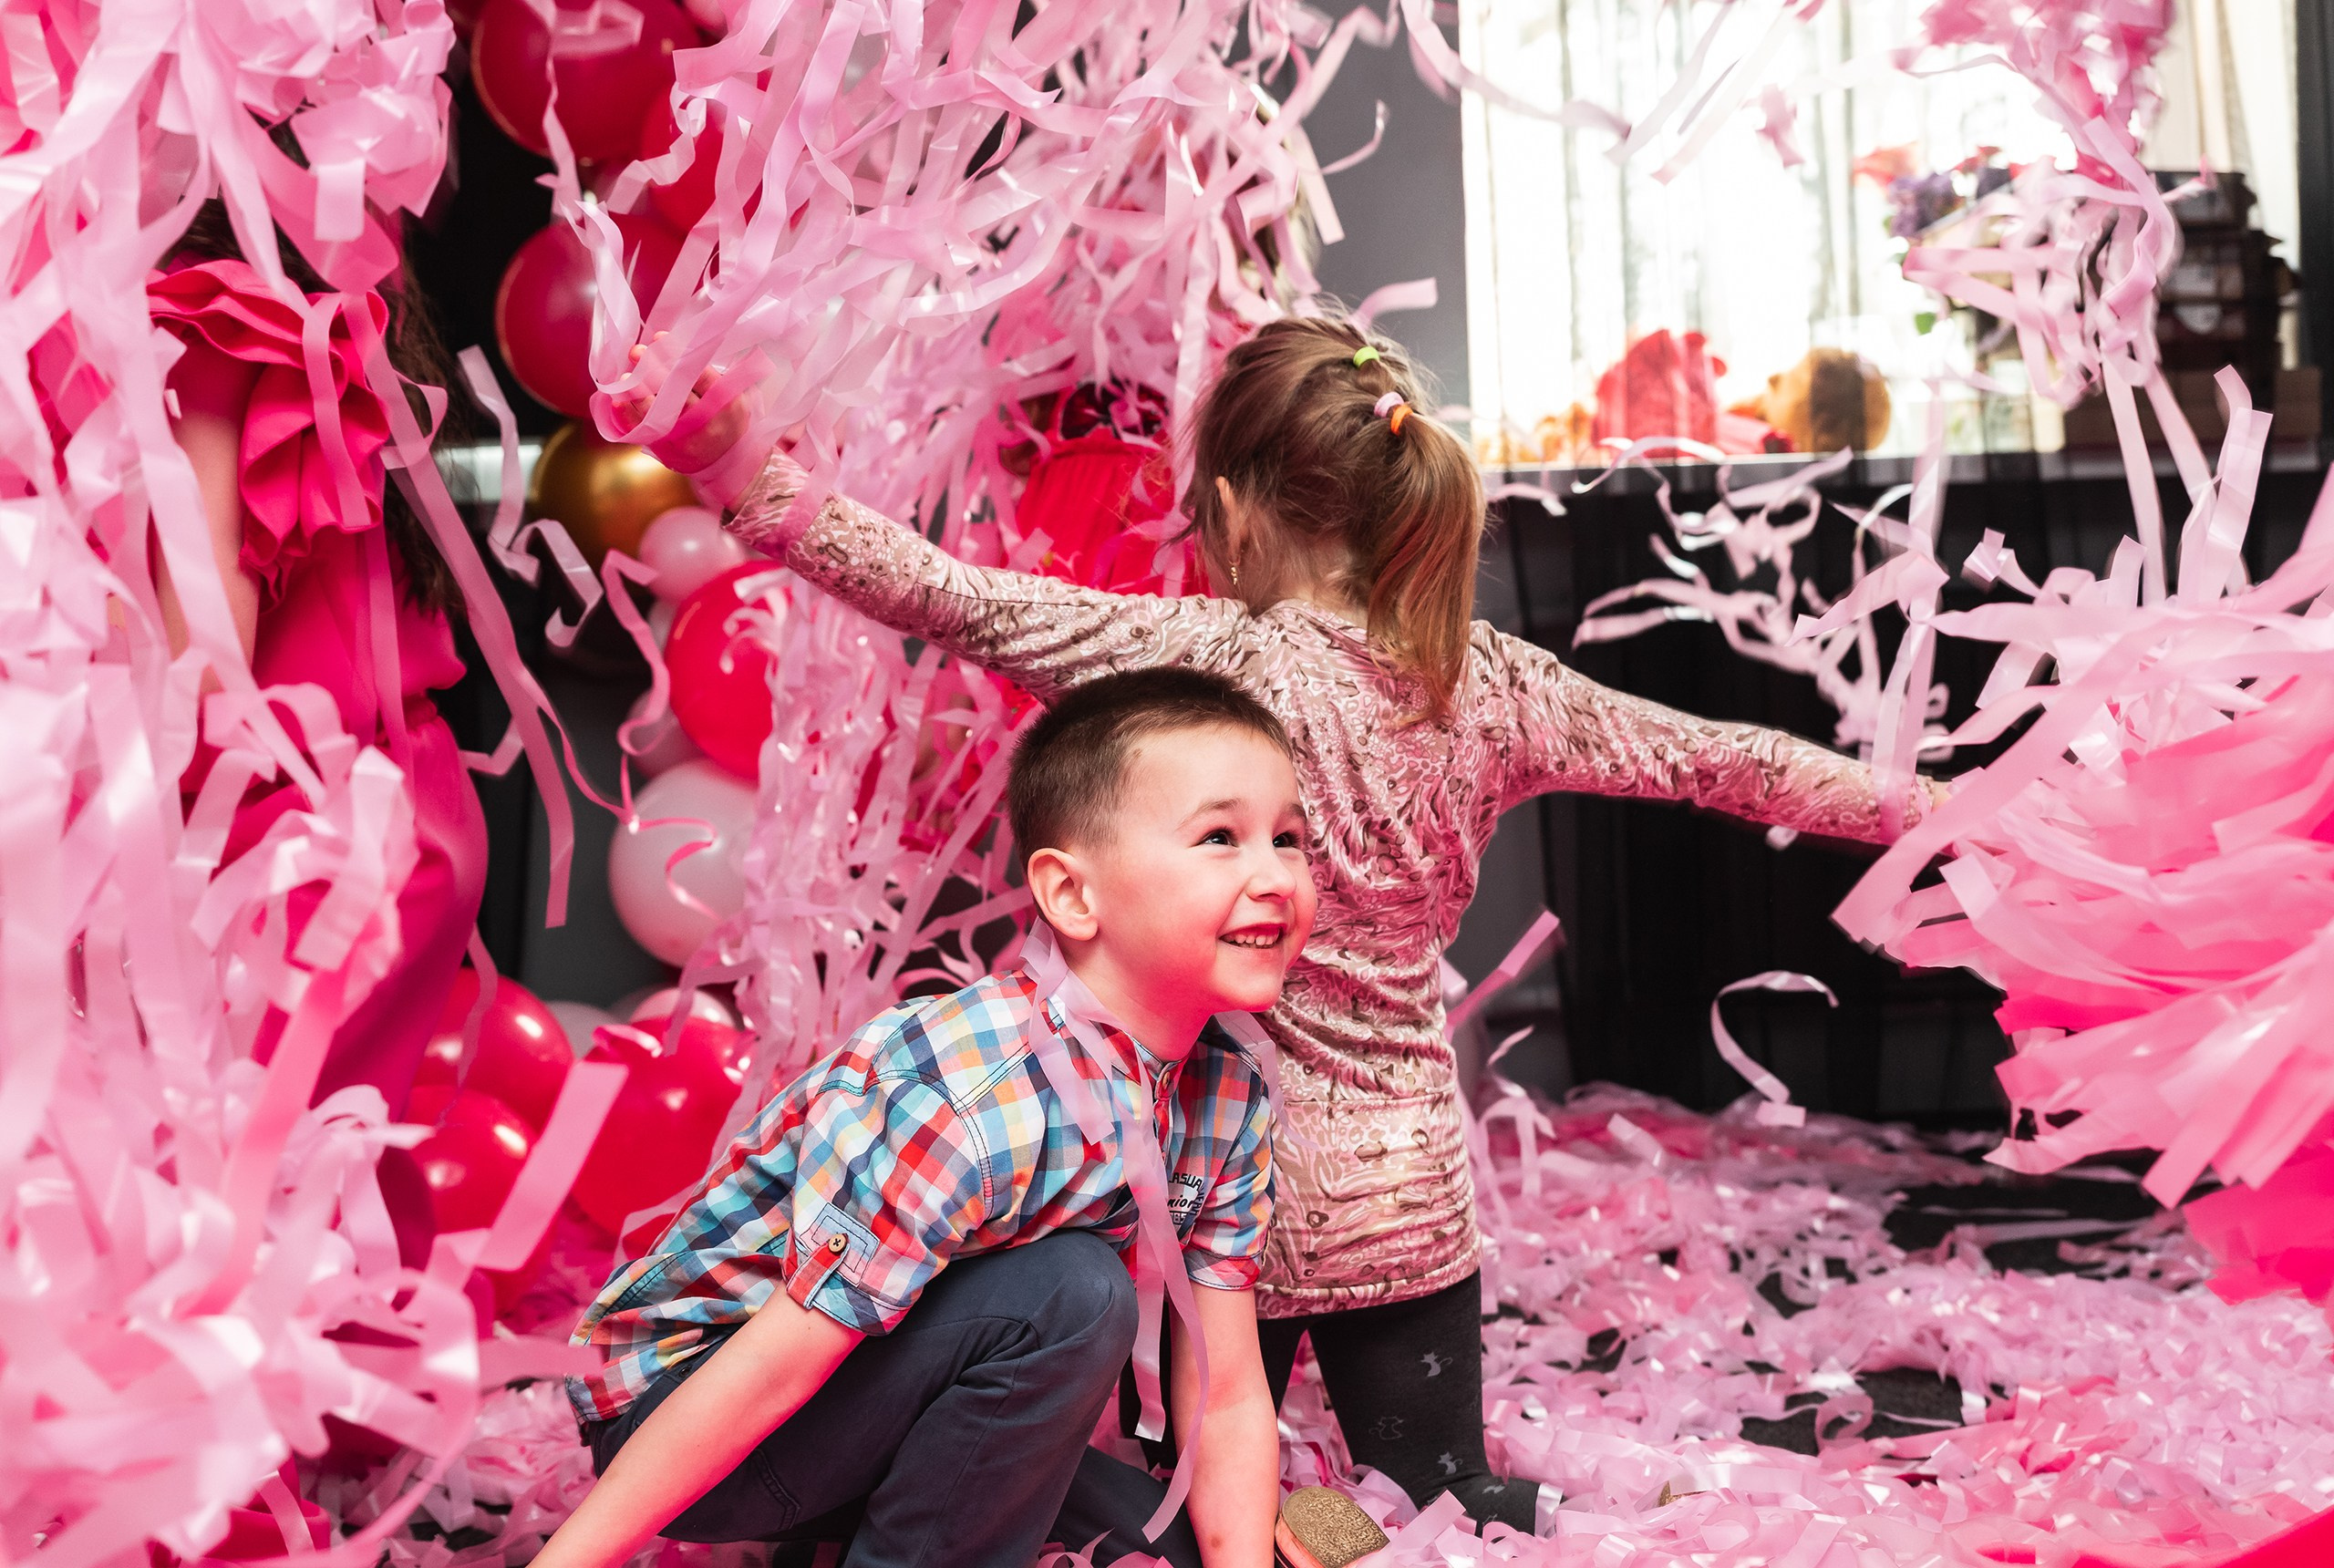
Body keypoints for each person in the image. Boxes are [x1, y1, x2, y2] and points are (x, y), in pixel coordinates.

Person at [639, 316, 1938, 1537]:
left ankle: (1266, 1543)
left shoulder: (1213, 658)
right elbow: (1724, 760)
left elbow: (950, 596)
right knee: (1441, 1497)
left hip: (1217, 1193)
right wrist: (1933, 807)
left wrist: (756, 476)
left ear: (1242, 507)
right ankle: (1566, 1535)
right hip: (1405, 1190)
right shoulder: (1492, 682)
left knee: (1186, 1505)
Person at [544, 668, 1345, 1568]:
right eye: (1219, 837)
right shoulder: (978, 1089)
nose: (1275, 876)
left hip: (886, 1393)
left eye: (1287, 839)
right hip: (701, 1407)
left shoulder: (1226, 1094)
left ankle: (841, 1536)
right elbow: (779, 1361)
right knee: (1075, 1291)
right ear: (1073, 895)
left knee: (1241, 1545)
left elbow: (1228, 1393)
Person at [145, 201, 487, 1256]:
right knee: (324, 1202)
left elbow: (201, 661)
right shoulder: (320, 301)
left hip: (301, 849)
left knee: (209, 1219)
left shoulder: (204, 317)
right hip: (395, 812)